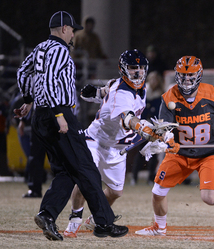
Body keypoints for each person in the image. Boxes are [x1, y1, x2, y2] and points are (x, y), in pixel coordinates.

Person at [14, 11, 128, 241]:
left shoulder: (40, 48)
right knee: (86, 169)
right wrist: (59, 114)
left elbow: (22, 73)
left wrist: (28, 99)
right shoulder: (59, 50)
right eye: (73, 29)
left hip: (40, 116)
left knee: (68, 171)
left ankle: (47, 214)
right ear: (64, 28)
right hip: (58, 114)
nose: (74, 33)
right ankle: (104, 223)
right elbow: (48, 82)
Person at [135, 55, 214, 236]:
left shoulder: (211, 93)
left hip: (208, 153)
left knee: (209, 198)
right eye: (182, 76)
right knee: (157, 191)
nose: (186, 80)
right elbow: (165, 127)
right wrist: (168, 139)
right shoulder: (169, 97)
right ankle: (160, 227)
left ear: (199, 75)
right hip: (180, 153)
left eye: (190, 76)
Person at [63, 49, 161, 238]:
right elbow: (128, 118)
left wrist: (98, 93)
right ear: (123, 69)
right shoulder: (122, 92)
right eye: (133, 68)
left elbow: (108, 90)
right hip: (96, 141)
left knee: (116, 192)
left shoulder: (136, 87)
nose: (138, 72)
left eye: (141, 68)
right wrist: (141, 127)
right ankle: (73, 223)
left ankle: (95, 219)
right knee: (87, 181)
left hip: (116, 148)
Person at [130, 71, 165, 186]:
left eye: (155, 80)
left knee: (154, 154)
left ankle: (151, 178)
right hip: (143, 127)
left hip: (155, 128)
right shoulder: (144, 93)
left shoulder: (161, 95)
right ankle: (134, 178)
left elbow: (161, 113)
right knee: (140, 152)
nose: (153, 82)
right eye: (152, 79)